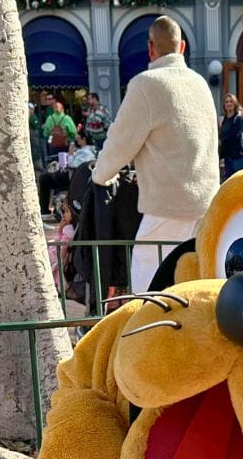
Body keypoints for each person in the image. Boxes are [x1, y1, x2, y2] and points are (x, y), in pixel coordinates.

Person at [92, 15, 219, 291]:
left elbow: (119, 142)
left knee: (147, 286)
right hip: (207, 204)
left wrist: (100, 176)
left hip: (167, 206)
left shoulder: (146, 84)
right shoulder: (200, 83)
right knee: (192, 284)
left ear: (150, 48)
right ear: (182, 46)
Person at [219, 94, 243, 181]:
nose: (229, 103)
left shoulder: (238, 118)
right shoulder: (225, 119)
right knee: (230, 183)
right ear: (224, 105)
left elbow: (233, 136)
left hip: (238, 157)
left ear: (235, 104)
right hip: (228, 158)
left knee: (240, 183)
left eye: (231, 101)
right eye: (227, 102)